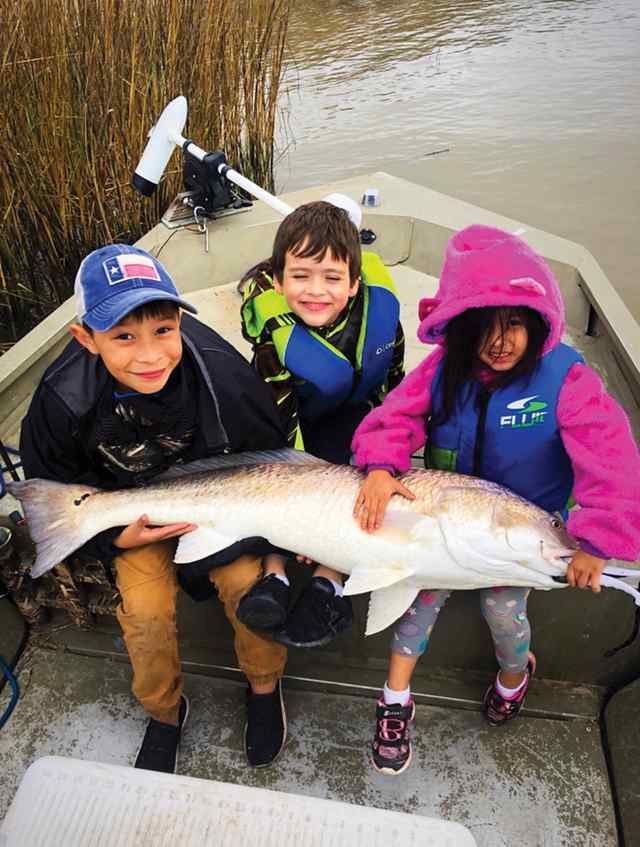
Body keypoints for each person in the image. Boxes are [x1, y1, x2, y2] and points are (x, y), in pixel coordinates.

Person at [351, 224, 640, 775]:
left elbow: (613, 461)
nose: (500, 341)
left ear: (536, 324)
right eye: (484, 326)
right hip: (447, 519)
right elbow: (394, 419)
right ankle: (394, 702)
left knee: (502, 611)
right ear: (462, 330)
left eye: (514, 325)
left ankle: (514, 676)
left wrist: (597, 542)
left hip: (523, 529)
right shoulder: (441, 370)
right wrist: (380, 467)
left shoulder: (567, 379)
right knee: (416, 607)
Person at [20, 244, 292, 773]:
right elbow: (50, 483)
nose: (148, 355)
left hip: (222, 515)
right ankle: (166, 713)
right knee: (144, 615)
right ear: (85, 338)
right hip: (128, 520)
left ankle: (263, 687)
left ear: (181, 323)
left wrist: (273, 554)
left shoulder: (224, 379)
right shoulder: (61, 398)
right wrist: (115, 540)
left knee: (246, 588)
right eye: (123, 336)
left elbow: (274, 469)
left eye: (163, 331)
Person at [237, 196, 405, 648]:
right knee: (268, 474)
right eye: (300, 277)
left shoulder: (385, 314)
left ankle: (329, 579)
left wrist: (388, 456)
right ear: (278, 280)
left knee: (369, 469)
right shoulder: (277, 339)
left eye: (332, 278)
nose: (316, 291)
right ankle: (274, 572)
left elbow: (393, 390)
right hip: (291, 422)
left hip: (353, 415)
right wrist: (303, 499)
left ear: (354, 283)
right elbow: (279, 421)